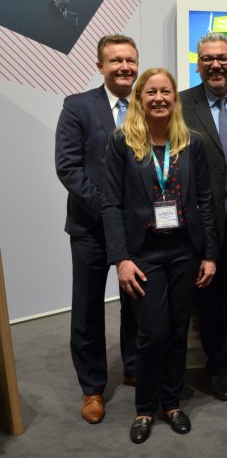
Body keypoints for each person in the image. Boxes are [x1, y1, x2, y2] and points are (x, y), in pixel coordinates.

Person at [102, 68, 217, 444]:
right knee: (152, 333)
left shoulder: (192, 142)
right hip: (143, 253)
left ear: (175, 97)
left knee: (178, 331)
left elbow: (205, 201)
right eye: (150, 92)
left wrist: (210, 254)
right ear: (139, 99)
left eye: (165, 91)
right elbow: (110, 204)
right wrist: (121, 258)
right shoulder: (121, 142)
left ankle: (172, 403)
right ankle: (145, 408)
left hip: (184, 250)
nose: (159, 98)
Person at [54, 34, 139, 424]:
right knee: (88, 309)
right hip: (90, 227)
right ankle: (92, 388)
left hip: (136, 227)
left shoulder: (147, 105)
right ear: (100, 66)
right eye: (116, 60)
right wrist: (107, 212)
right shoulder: (78, 106)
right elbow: (68, 167)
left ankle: (134, 366)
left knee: (136, 302)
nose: (124, 67)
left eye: (130, 60)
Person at [181, 32, 227, 401]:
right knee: (210, 305)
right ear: (198, 64)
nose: (216, 65)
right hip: (206, 227)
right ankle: (219, 370)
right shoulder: (180, 104)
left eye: (222, 57)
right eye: (207, 59)